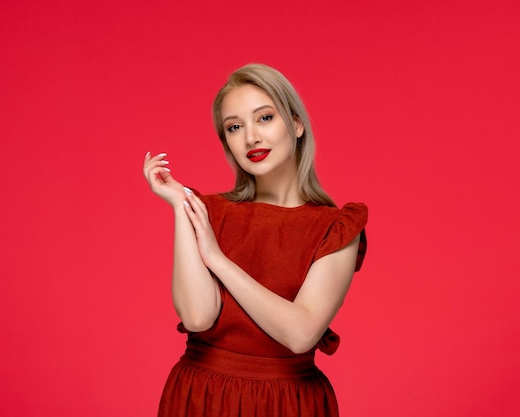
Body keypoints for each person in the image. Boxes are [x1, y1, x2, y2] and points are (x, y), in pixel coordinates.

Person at [143, 63, 368, 417]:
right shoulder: (205, 211)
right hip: (202, 398)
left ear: (296, 125)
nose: (250, 137)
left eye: (264, 118)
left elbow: (301, 333)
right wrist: (178, 205)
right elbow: (198, 317)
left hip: (287, 405)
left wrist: (218, 260)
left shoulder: (335, 227)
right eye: (234, 127)